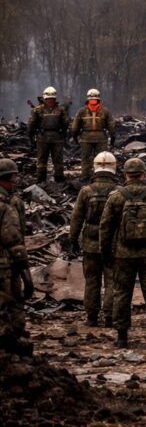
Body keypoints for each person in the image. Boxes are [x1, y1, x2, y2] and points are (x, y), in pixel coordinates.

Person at [99, 157, 146, 348]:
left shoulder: (116, 197)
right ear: (143, 174)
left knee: (122, 293)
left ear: (125, 174)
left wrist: (106, 252)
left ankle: (122, 336)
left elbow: (105, 227)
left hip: (123, 254)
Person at [69, 152, 120, 327]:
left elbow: (76, 218)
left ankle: (91, 317)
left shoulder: (86, 191)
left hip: (90, 243)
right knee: (112, 279)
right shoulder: (118, 192)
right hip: (113, 243)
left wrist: (73, 240)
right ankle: (109, 316)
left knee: (92, 280)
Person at [0, 158, 33, 355]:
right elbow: (13, 237)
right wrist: (24, 269)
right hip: (5, 264)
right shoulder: (7, 206)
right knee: (9, 303)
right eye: (14, 177)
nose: (16, 181)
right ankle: (10, 350)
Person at [70, 89, 116, 182]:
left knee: (86, 158)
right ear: (99, 98)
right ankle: (102, 177)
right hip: (101, 138)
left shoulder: (81, 111)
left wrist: (75, 137)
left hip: (85, 138)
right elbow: (112, 127)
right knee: (102, 158)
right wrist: (112, 139)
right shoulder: (105, 111)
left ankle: (85, 177)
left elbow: (75, 127)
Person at [28, 86, 69, 183]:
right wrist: (62, 135)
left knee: (46, 160)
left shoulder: (37, 110)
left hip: (45, 137)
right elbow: (65, 124)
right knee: (53, 160)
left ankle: (44, 181)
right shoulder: (60, 109)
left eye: (51, 99)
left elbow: (30, 126)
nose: (50, 100)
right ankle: (56, 181)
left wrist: (31, 139)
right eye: (49, 99)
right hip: (52, 137)